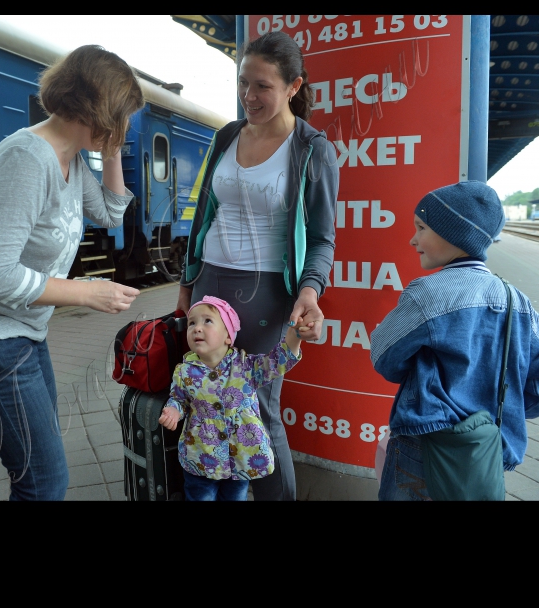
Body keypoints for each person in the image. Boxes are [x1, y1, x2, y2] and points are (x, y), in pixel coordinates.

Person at [0, 45, 143, 501]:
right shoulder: (28, 161)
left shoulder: (68, 158)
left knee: (40, 474)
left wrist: (111, 151)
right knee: (43, 482)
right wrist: (86, 293)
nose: (125, 128)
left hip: (21, 334)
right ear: (99, 109)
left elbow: (110, 211)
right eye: (122, 116)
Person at [177, 31, 339, 501]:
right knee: (206, 401)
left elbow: (323, 237)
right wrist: (188, 283)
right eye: (244, 83)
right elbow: (206, 212)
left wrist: (309, 291)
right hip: (210, 284)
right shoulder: (228, 135)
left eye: (263, 86)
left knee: (259, 412)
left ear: (293, 86)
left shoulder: (313, 149)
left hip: (267, 295)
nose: (249, 96)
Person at [370, 181, 539, 501]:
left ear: (454, 233)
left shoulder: (427, 294)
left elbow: (384, 357)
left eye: (421, 228)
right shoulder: (519, 302)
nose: (413, 239)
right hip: (486, 452)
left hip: (423, 447)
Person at [159, 296, 306, 501]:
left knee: (236, 498)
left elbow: (275, 363)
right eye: (192, 322)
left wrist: (295, 336)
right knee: (200, 497)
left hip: (240, 458)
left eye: (207, 321)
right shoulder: (184, 371)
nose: (197, 328)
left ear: (228, 336)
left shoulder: (245, 366)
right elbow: (179, 398)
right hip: (201, 458)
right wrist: (173, 410)